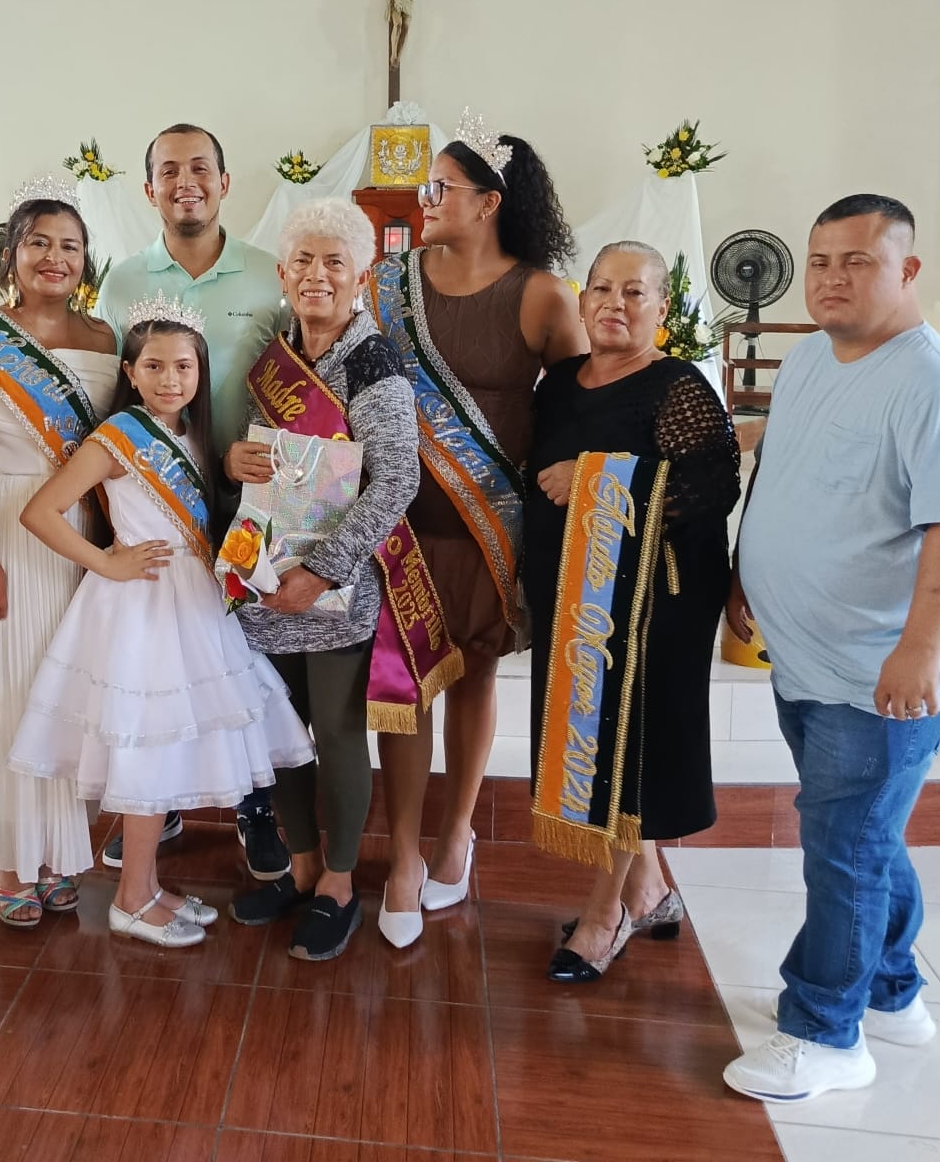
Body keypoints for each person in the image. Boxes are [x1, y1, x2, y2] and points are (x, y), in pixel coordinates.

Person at [724, 195, 940, 1103]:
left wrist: (920, 649)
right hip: (805, 657)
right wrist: (745, 571)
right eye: (820, 261)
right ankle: (892, 987)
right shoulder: (812, 357)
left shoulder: (931, 380)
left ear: (907, 270)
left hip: (876, 670)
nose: (831, 278)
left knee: (844, 845)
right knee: (864, 834)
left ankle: (827, 1031)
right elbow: (777, 470)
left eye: (857, 261)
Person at [7, 298, 311, 948]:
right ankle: (129, 899)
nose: (170, 379)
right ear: (130, 371)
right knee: (148, 749)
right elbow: (40, 512)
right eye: (154, 366)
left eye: (183, 366)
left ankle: (146, 885)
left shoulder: (191, 435)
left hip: (191, 602)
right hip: (140, 608)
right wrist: (106, 562)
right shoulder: (118, 436)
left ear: (200, 371)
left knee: (167, 751)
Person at [369, 115, 586, 943]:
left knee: (473, 678)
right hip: (398, 523)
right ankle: (401, 855)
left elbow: (578, 406)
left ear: (489, 202)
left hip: (488, 523)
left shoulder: (542, 295)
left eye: (440, 188)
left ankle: (455, 834)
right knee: (402, 688)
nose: (424, 199)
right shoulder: (389, 283)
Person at [523, 242, 740, 981]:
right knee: (598, 733)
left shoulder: (677, 386)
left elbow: (711, 486)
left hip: (660, 602)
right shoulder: (558, 384)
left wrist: (590, 479)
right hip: (578, 596)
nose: (615, 304)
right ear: (581, 301)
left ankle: (605, 913)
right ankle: (648, 890)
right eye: (602, 289)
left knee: (629, 745)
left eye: (635, 292)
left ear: (662, 308)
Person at [227, 198, 430, 961]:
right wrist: (232, 460)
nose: (317, 275)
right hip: (266, 579)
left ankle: (339, 885)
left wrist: (320, 571)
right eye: (304, 262)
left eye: (334, 262)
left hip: (335, 589)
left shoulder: (372, 362)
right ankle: (303, 867)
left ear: (360, 277)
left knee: (338, 735)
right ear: (283, 274)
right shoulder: (276, 354)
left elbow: (397, 477)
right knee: (280, 729)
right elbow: (253, 453)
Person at [96, 122, 290, 880]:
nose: (187, 183)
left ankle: (255, 802)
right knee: (155, 658)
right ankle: (158, 799)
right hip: (151, 502)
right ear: (149, 189)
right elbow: (110, 392)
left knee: (244, 656)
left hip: (247, 497)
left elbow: (297, 382)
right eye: (170, 170)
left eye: (201, 168)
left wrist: (258, 453)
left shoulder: (269, 274)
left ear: (225, 182)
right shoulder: (121, 283)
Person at [0, 180, 119, 926]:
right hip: (2, 528)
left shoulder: (104, 341)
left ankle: (61, 851)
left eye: (70, 245)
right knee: (10, 693)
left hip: (80, 534)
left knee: (69, 694)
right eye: (39, 242)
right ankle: (12, 860)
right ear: (10, 254)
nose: (54, 257)